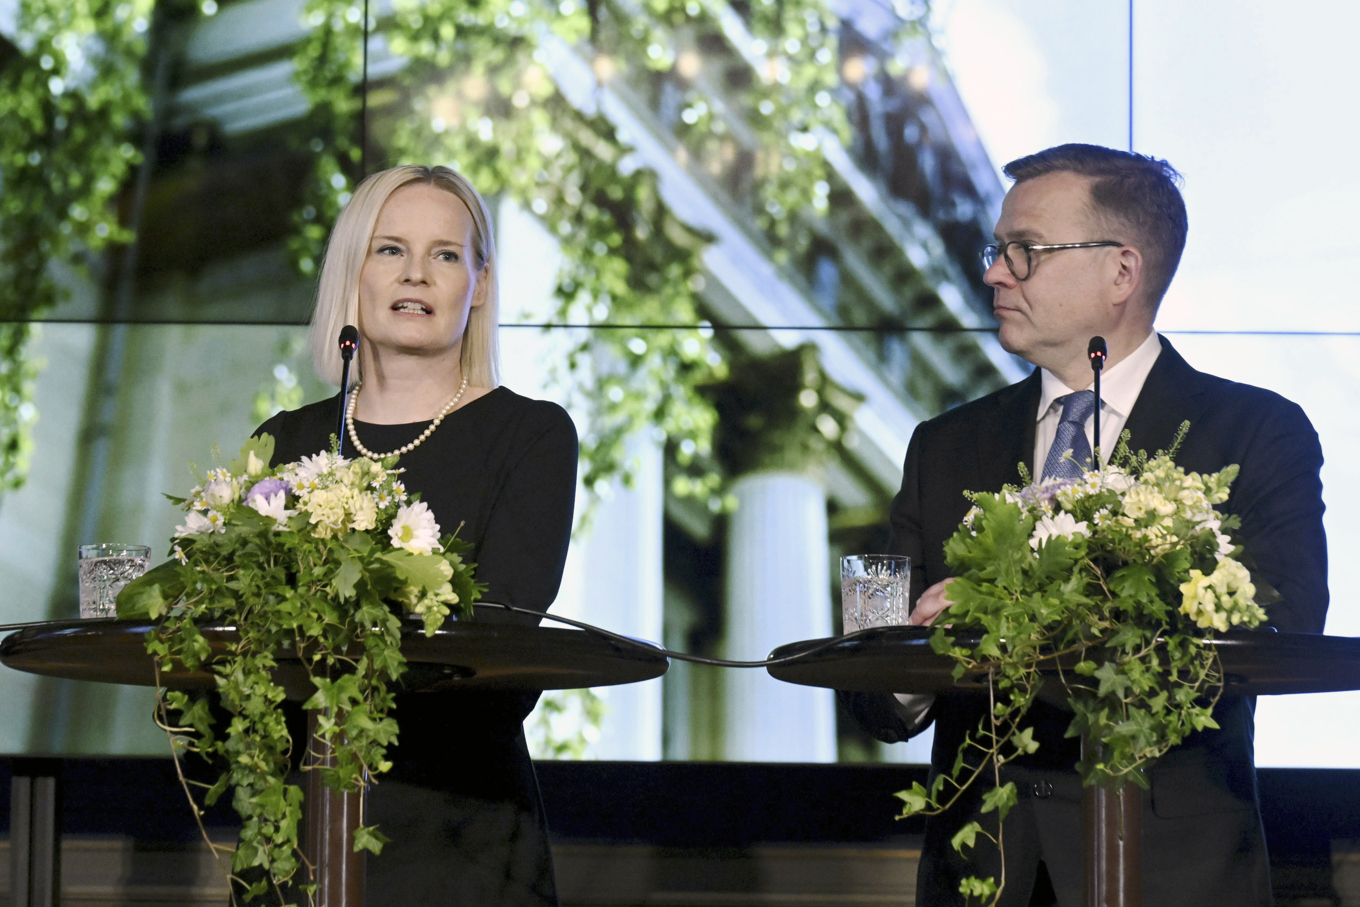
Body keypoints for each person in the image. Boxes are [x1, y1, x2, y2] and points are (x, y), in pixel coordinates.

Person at [841, 144, 1328, 907]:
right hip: (981, 877)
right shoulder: (943, 444)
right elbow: (875, 690)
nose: (994, 272)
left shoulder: (1256, 433)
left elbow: (1287, 619)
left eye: (1024, 251)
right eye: (997, 250)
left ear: (1122, 273)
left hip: (1172, 876)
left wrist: (1027, 605)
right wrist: (903, 650)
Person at [254, 164, 578, 906]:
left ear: (481, 284)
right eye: (391, 249)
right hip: (299, 834)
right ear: (353, 271)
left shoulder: (531, 434)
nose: (417, 274)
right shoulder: (285, 439)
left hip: (463, 838)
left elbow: (500, 653)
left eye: (446, 254)